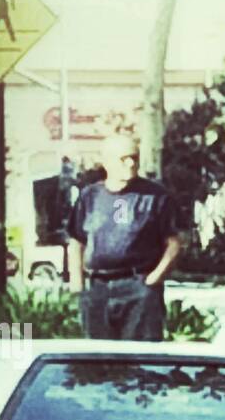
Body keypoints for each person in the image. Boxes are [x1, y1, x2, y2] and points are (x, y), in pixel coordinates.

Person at [67, 133, 183, 341]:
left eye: (135, 157)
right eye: (124, 158)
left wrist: (153, 280)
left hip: (138, 286)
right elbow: (76, 241)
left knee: (141, 358)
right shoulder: (90, 196)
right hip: (98, 287)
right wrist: (77, 284)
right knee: (97, 359)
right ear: (107, 162)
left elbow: (174, 244)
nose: (131, 163)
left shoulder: (156, 196)